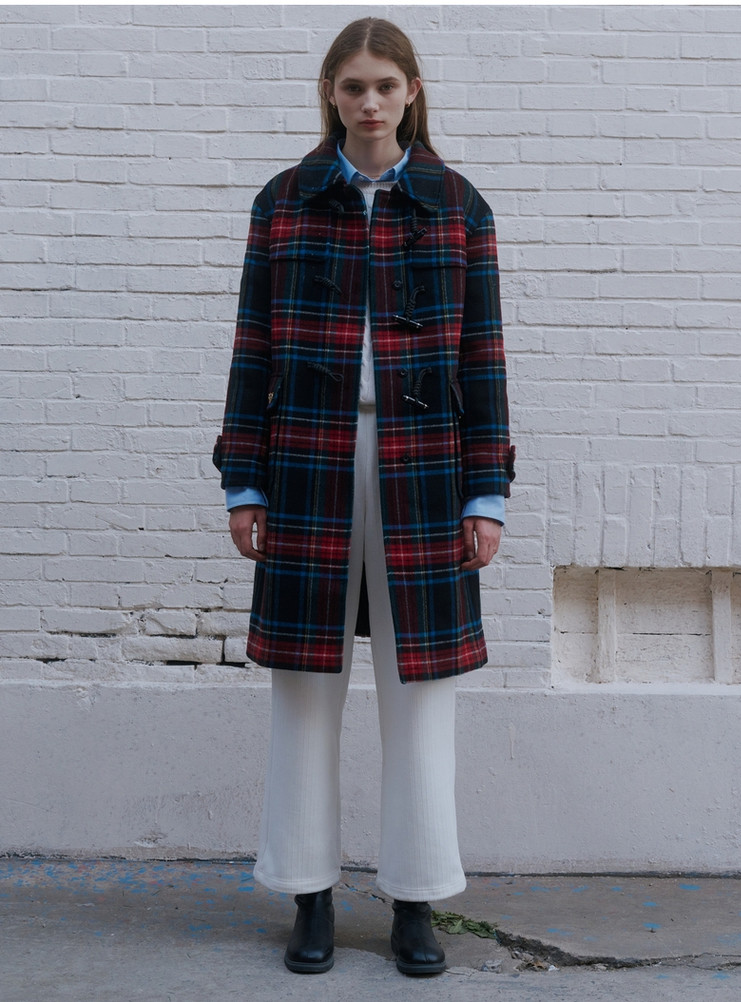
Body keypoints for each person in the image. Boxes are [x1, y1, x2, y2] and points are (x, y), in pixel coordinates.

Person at [213, 17, 514, 977]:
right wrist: (244, 477)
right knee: (304, 688)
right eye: (354, 87)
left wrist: (487, 491)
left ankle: (415, 901)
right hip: (307, 457)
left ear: (411, 91)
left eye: (386, 84)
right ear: (331, 95)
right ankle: (309, 895)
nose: (370, 101)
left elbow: (483, 356)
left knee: (420, 691)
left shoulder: (458, 206)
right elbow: (253, 346)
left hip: (426, 465)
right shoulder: (285, 202)